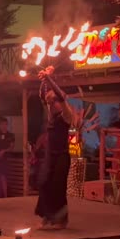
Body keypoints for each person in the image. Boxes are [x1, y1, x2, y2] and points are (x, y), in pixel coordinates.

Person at [34, 66, 73, 230]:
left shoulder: (66, 114)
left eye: (52, 102)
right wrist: (44, 80)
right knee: (44, 183)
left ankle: (62, 219)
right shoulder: (51, 116)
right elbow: (43, 95)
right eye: (49, 103)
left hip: (62, 156)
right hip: (51, 156)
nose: (50, 105)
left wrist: (49, 79)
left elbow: (60, 95)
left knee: (58, 185)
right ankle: (47, 216)